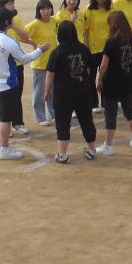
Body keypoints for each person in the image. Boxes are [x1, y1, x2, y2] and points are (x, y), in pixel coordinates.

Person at [0, 8, 48, 161]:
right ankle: (5, 149)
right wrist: (40, 50)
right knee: (6, 119)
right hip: (7, 84)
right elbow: (24, 59)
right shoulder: (8, 41)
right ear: (7, 22)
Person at [45, 21, 97, 163]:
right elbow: (88, 69)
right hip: (83, 91)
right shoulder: (84, 49)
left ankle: (62, 155)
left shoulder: (57, 52)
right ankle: (92, 150)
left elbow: (50, 74)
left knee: (62, 123)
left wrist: (46, 91)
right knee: (87, 121)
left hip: (63, 94)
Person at [95, 11, 132, 153]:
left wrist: (99, 80)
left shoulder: (111, 42)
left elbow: (103, 65)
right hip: (127, 81)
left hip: (111, 83)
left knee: (110, 114)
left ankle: (108, 146)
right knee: (130, 111)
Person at [0, 0, 33, 136]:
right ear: (2, 7)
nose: (13, 6)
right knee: (4, 98)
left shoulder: (15, 20)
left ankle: (18, 122)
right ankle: (6, 124)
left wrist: (14, 26)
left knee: (17, 95)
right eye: (10, 4)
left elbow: (25, 35)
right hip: (4, 67)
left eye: (13, 3)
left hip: (17, 64)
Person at [25, 0, 58, 126]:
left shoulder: (54, 21)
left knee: (52, 90)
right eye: (43, 9)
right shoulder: (35, 24)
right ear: (39, 11)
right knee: (39, 92)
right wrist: (34, 44)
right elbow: (22, 34)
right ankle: (40, 116)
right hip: (39, 62)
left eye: (48, 8)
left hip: (53, 62)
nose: (46, 11)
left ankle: (52, 113)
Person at [83, 0, 112, 110]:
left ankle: (106, 101)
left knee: (106, 76)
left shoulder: (112, 8)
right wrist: (87, 46)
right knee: (91, 77)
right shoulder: (89, 9)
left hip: (107, 48)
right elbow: (86, 30)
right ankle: (93, 103)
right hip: (93, 49)